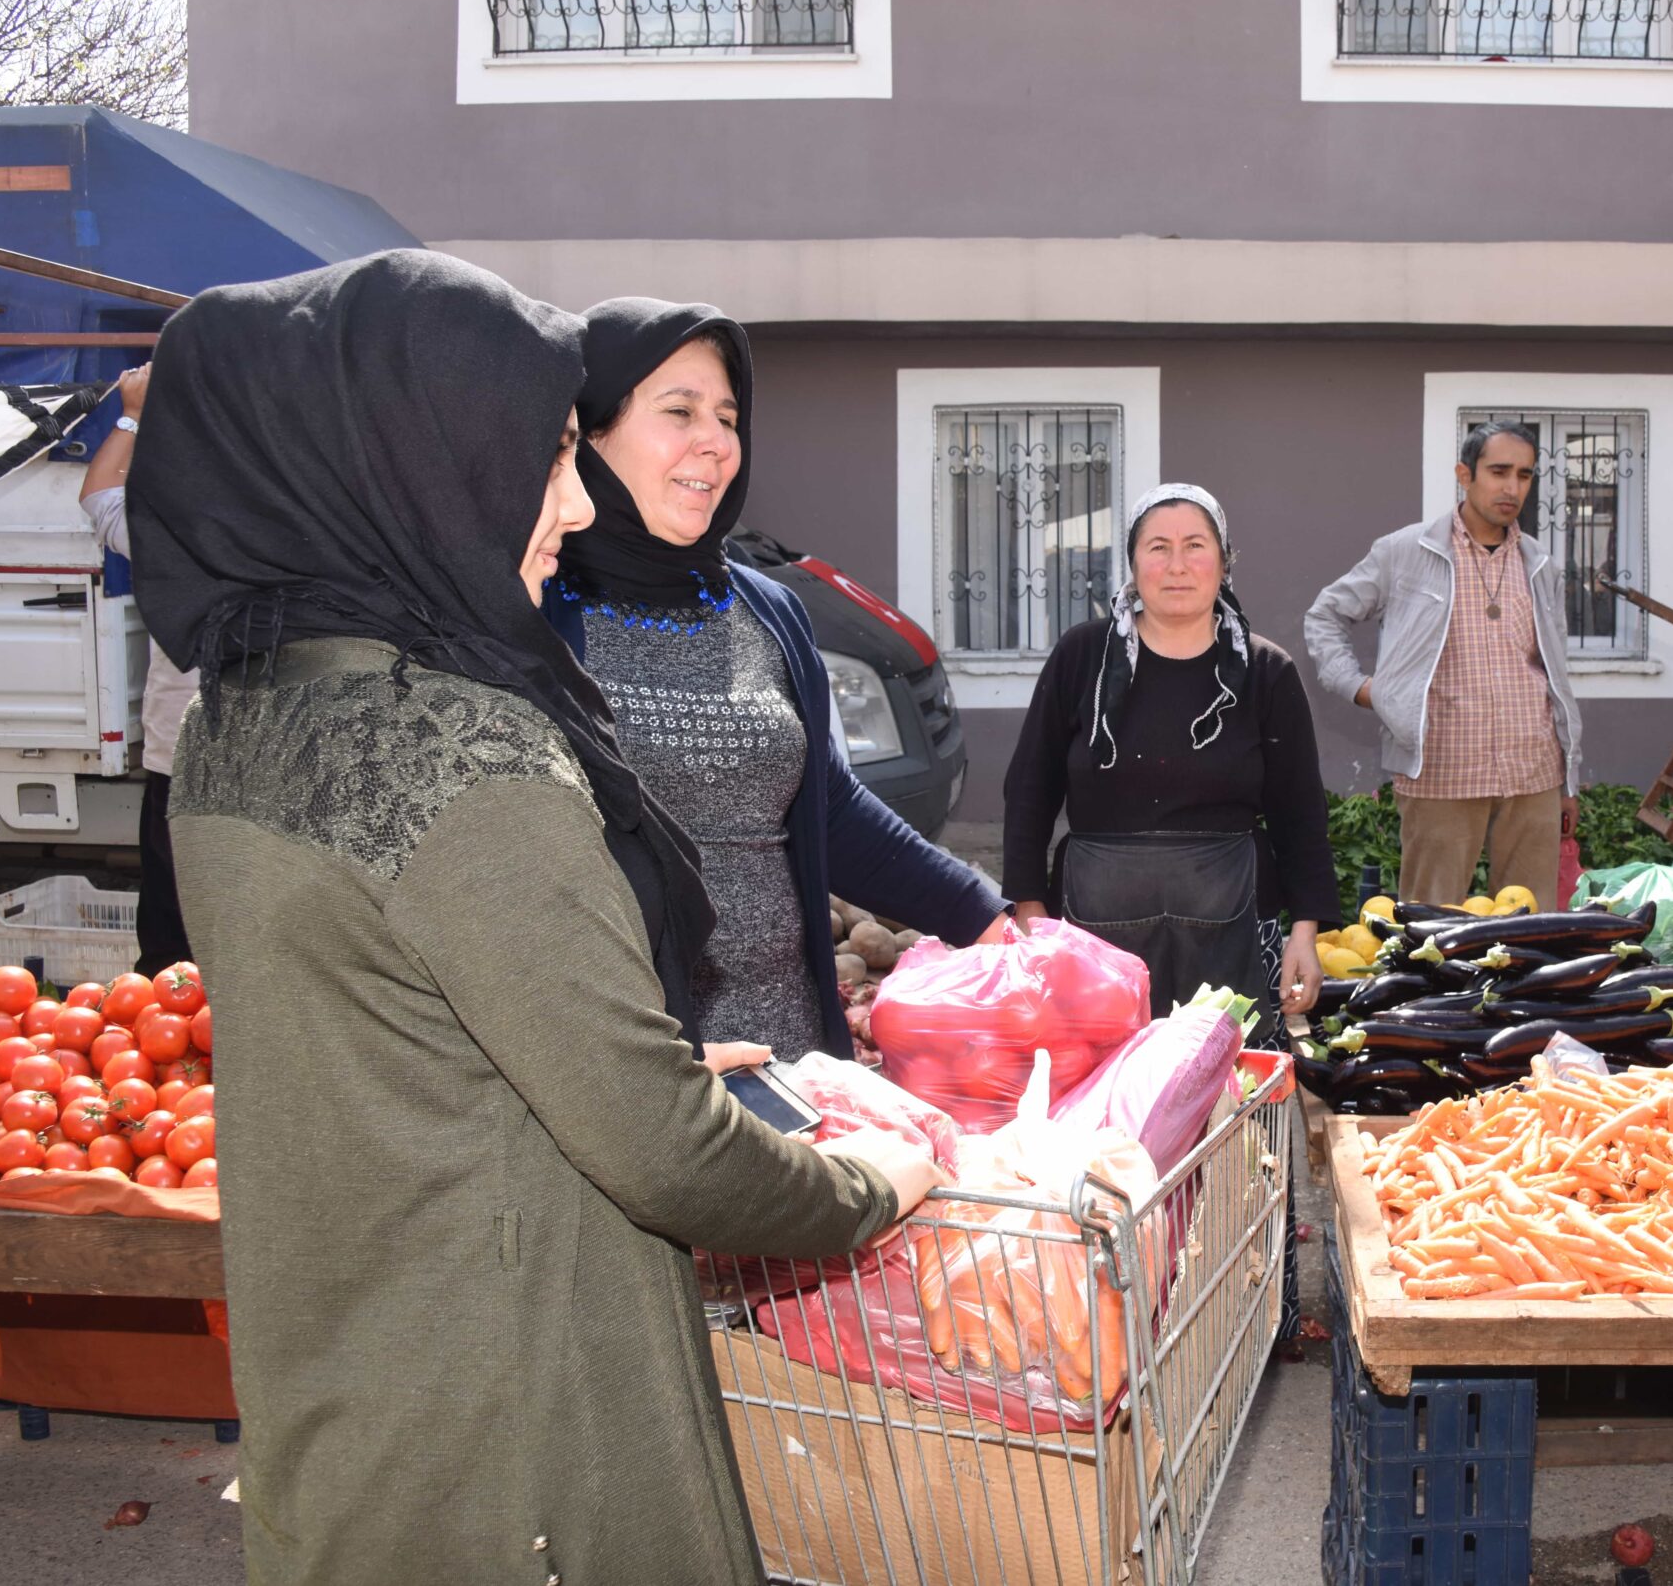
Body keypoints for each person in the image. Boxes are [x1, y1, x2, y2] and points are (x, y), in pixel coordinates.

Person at [130, 250, 947, 1586]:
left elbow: (396, 1025)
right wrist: (874, 1185)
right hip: (523, 1441)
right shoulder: (465, 757)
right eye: (544, 454)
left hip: (343, 1402)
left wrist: (633, 1060)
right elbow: (665, 1160)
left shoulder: (239, 722)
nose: (571, 502)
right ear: (412, 457)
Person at [545, 298, 1014, 1067]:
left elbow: (827, 807)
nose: (715, 443)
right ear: (592, 433)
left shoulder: (769, 611)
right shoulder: (537, 607)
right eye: (680, 411)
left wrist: (984, 916)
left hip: (790, 1064)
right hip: (631, 1083)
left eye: (727, 418)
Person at [1003, 483, 1340, 1031]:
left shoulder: (1266, 673)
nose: (1177, 565)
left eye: (1196, 546)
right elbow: (1028, 792)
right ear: (1133, 564)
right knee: (1105, 1093)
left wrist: (1305, 933)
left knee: (1233, 1092)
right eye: (1158, 547)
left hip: (1233, 927)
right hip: (1094, 934)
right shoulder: (1081, 657)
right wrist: (1029, 911)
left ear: (1224, 561)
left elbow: (1299, 814)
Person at [1303, 422, 1583, 907]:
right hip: (1441, 768)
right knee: (1432, 923)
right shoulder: (1406, 552)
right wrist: (1362, 688)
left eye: (1524, 475)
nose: (1511, 487)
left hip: (1533, 770)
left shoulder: (1540, 564)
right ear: (1464, 474)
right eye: (1498, 472)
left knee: (1530, 923)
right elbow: (1325, 614)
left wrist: (1568, 776)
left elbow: (1555, 673)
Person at [76, 362, 198, 974]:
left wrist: (133, 412)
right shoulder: (304, 524)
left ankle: (172, 1050)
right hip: (274, 756)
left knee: (173, 941)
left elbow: (98, 496)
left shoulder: (177, 524)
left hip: (183, 758)